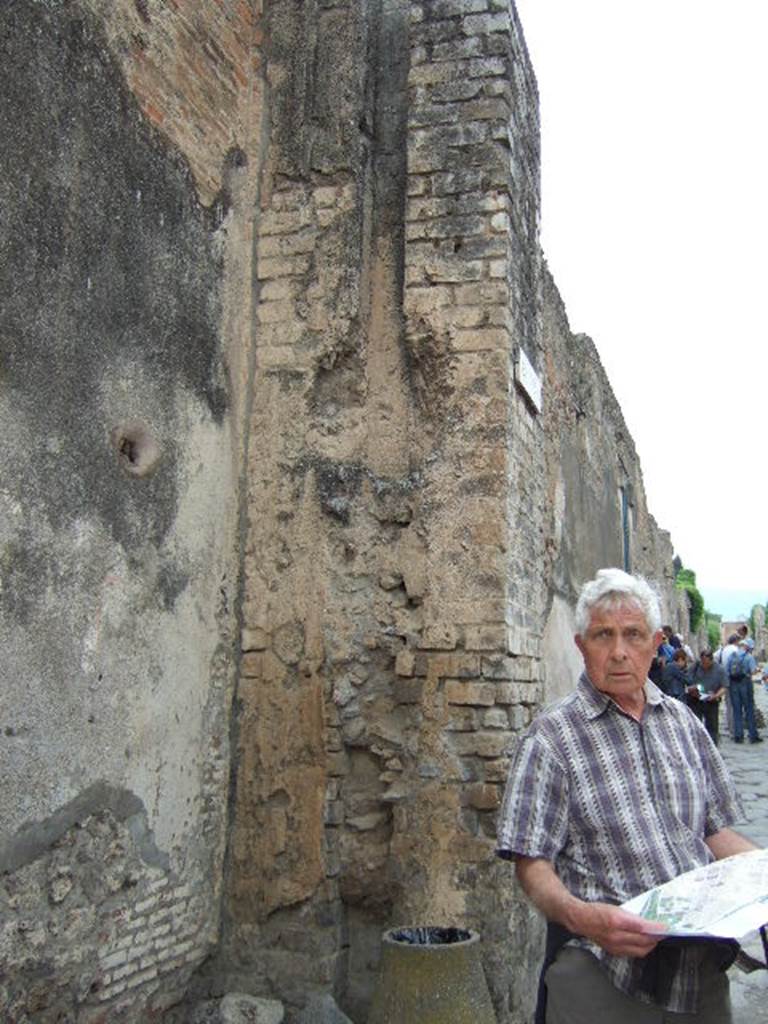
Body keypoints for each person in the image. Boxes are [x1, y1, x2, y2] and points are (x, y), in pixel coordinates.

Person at [497, 568, 757, 1024]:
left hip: (699, 977)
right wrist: (583, 918)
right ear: (582, 646)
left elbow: (716, 833)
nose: (618, 651)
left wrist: (761, 876)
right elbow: (531, 864)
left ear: (655, 644)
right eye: (603, 635)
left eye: (633, 634)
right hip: (601, 977)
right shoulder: (550, 739)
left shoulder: (684, 725)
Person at [687, 649, 728, 745]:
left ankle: (713, 746)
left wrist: (716, 695)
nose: (704, 665)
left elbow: (724, 686)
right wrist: (691, 689)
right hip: (696, 700)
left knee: (712, 727)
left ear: (711, 660)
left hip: (711, 701)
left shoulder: (720, 670)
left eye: (706, 663)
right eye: (702, 662)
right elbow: (687, 680)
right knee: (695, 724)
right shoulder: (695, 667)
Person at [728, 637, 762, 744]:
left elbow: (727, 671)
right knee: (749, 710)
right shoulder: (749, 657)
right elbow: (753, 671)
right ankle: (753, 735)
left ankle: (738, 735)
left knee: (737, 711)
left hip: (733, 685)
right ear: (746, 647)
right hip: (745, 684)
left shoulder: (731, 657)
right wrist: (758, 669)